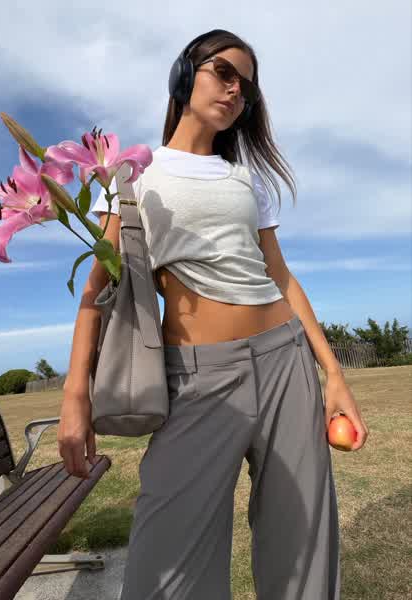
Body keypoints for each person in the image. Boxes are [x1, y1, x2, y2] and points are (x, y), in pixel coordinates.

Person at [59, 28, 369, 599]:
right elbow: (96, 291)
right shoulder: (130, 176)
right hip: (195, 378)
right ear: (184, 74)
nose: (234, 91)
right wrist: (76, 394)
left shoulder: (246, 180)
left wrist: (333, 373)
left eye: (245, 87)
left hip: (285, 362)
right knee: (165, 569)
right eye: (224, 72)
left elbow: (282, 277)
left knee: (302, 545)